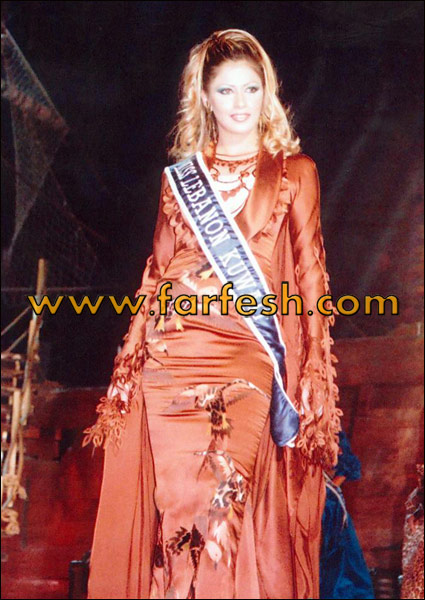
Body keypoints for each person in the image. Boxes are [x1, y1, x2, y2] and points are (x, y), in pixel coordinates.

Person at [83, 29, 342, 599]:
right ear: (204, 97)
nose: (241, 103)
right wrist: (129, 361)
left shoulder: (296, 171)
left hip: (247, 349)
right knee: (178, 504)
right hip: (173, 351)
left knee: (223, 499)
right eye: (226, 90)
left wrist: (314, 371)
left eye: (252, 88)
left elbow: (311, 275)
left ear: (267, 92)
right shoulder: (179, 181)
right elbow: (156, 271)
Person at [320, 431, 375, 599]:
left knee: (339, 569)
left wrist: (329, 489)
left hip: (329, 508)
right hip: (309, 506)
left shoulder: (331, 428)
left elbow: (348, 464)